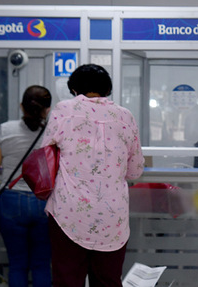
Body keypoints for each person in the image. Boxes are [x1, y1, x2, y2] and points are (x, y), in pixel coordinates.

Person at [41, 64, 145, 287]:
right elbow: (135, 170)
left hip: (68, 212)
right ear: (107, 90)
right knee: (107, 280)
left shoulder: (63, 110)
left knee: (67, 280)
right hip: (112, 217)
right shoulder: (125, 116)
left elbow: (45, 155)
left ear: (73, 90)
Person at [0, 85, 52, 287]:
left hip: (11, 201)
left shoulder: (5, 129)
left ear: (21, 106)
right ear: (47, 109)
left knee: (17, 265)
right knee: (41, 265)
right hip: (43, 202)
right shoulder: (53, 133)